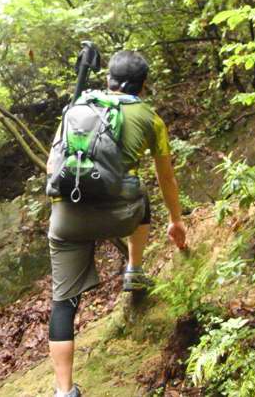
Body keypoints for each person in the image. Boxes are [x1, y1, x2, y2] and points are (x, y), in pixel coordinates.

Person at [46, 50, 187, 397]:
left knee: (63, 304)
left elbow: (52, 168)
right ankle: (134, 270)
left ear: (107, 78)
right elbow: (165, 178)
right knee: (142, 199)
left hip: (67, 218)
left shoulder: (75, 109)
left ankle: (64, 391)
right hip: (120, 214)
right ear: (144, 84)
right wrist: (176, 221)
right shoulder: (149, 117)